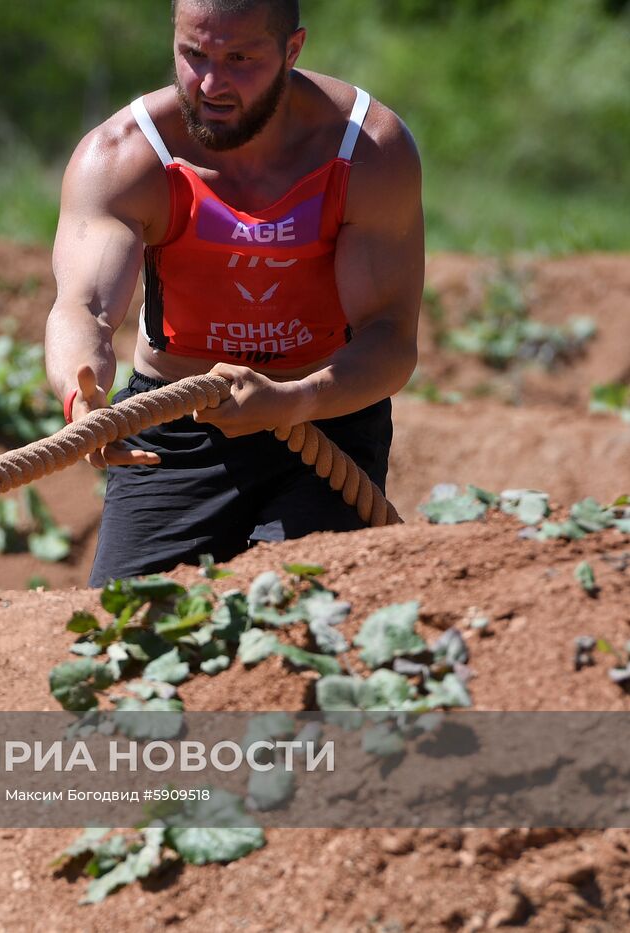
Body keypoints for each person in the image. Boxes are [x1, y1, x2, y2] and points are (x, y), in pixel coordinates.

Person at [44, 0, 424, 586]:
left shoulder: (368, 149)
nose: (212, 84)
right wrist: (79, 395)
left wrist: (293, 399)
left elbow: (389, 336)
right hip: (171, 421)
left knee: (303, 627)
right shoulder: (123, 156)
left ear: (292, 50)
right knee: (123, 638)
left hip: (326, 417)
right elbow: (84, 307)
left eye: (240, 58)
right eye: (193, 54)